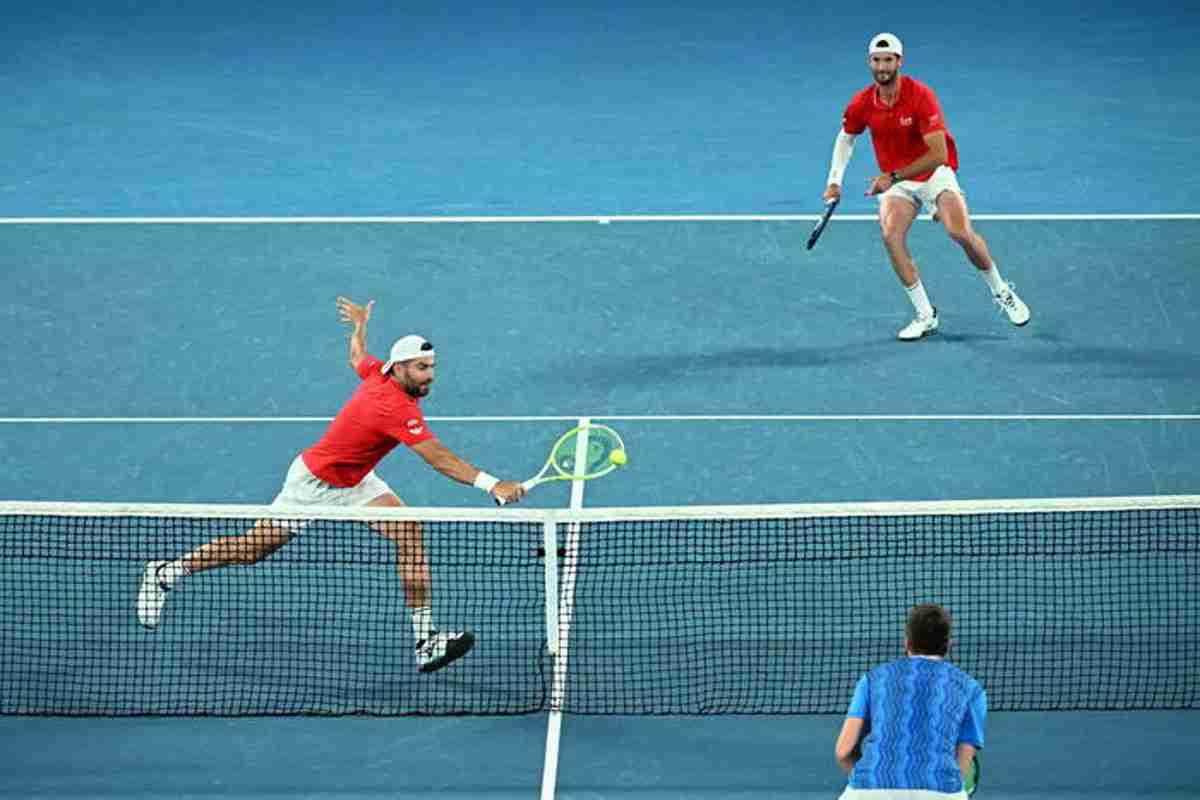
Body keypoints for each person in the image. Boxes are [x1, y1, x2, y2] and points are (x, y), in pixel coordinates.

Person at [136, 296, 526, 673]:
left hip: (356, 481)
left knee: (409, 531)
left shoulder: (379, 371)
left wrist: (359, 326)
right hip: (314, 485)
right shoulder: (393, 407)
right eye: (423, 368)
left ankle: (425, 641)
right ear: (402, 367)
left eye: (433, 367)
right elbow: (438, 458)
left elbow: (357, 357)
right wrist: (492, 485)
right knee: (254, 550)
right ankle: (166, 572)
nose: (431, 376)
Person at [824, 33, 1031, 341]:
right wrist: (834, 181)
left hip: (934, 174)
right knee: (891, 236)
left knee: (959, 232)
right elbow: (847, 137)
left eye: (888, 60)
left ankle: (1001, 290)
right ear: (870, 62)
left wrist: (891, 177)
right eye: (877, 60)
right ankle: (925, 314)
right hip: (898, 182)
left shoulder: (921, 96)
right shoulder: (861, 103)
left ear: (899, 62)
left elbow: (938, 154)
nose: (882, 67)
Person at [834, 604, 986, 799]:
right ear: (948, 644)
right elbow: (962, 766)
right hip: (939, 791)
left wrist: (870, 783)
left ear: (907, 642)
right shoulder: (972, 690)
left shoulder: (872, 680)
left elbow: (843, 752)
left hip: (869, 788)